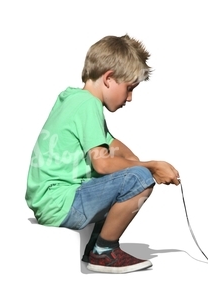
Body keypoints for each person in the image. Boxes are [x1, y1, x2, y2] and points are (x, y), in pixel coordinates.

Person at [25, 34, 180, 274]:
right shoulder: (89, 105)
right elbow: (103, 165)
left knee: (132, 173)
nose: (130, 98)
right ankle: (103, 251)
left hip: (48, 200)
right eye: (129, 88)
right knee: (138, 178)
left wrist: (147, 165)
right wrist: (150, 169)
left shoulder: (72, 99)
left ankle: (93, 248)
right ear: (109, 78)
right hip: (60, 203)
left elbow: (118, 150)